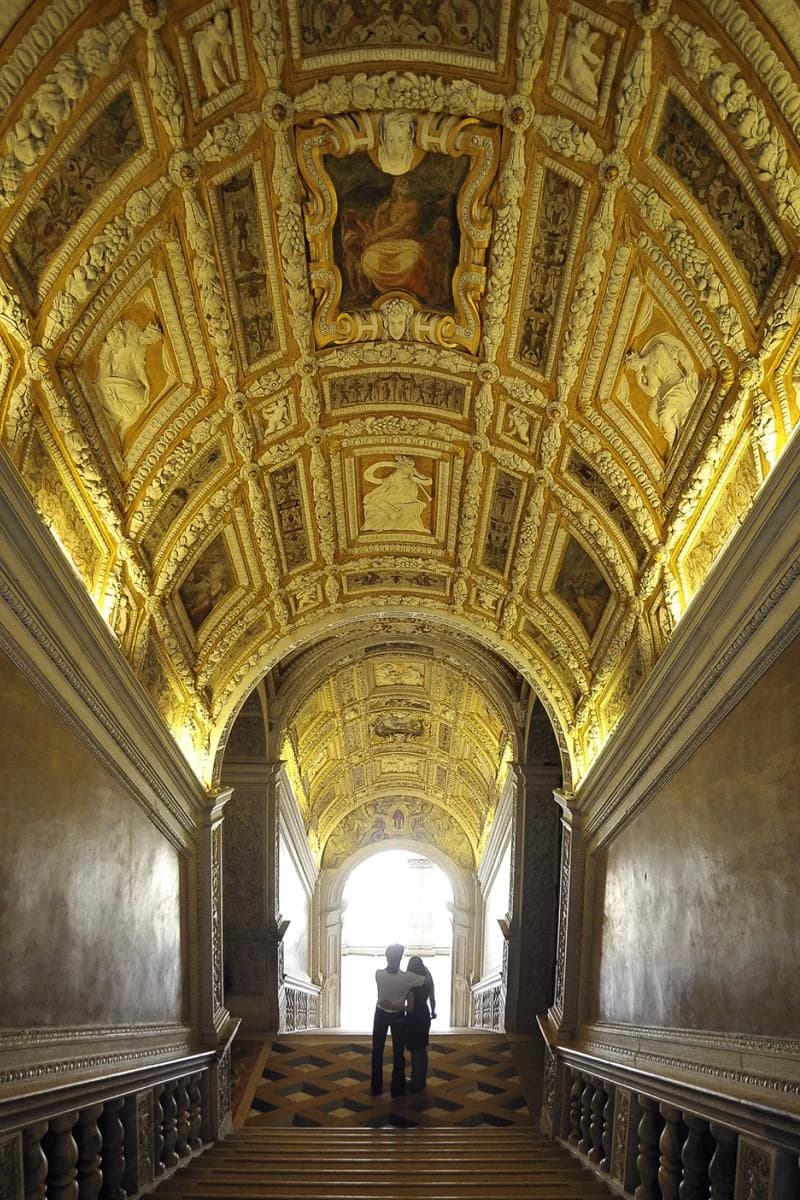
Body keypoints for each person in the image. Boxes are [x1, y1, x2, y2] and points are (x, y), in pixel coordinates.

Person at [371, 943, 425, 1097]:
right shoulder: (407, 978)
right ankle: (397, 1089)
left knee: (377, 1051)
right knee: (398, 1053)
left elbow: (383, 1000)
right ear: (400, 958)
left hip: (381, 1014)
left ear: (387, 957)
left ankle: (376, 1087)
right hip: (398, 1017)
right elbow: (425, 979)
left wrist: (389, 1004)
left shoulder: (379, 974)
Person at [404, 955, 437, 1093]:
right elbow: (432, 998)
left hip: (413, 1016)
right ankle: (421, 1080)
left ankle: (416, 1082)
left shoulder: (410, 981)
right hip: (424, 1014)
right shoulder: (427, 979)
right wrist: (433, 1011)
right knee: (422, 1049)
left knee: (415, 1050)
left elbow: (406, 1000)